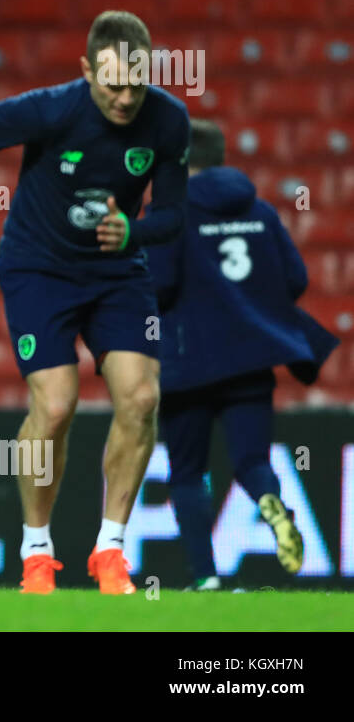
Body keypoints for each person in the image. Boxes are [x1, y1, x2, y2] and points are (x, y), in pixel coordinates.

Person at [0, 10, 190, 594]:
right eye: (112, 83)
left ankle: (111, 550)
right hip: (38, 268)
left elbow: (172, 215)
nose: (125, 98)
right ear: (86, 70)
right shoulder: (52, 108)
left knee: (143, 397)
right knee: (55, 405)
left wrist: (134, 234)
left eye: (136, 84)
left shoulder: (170, 122)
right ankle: (37, 552)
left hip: (118, 271)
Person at [145, 118, 338, 589]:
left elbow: (161, 285)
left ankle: (207, 578)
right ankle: (271, 502)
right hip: (252, 357)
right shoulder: (263, 211)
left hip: (189, 362)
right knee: (252, 461)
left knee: (188, 472)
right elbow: (295, 281)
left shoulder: (171, 213)